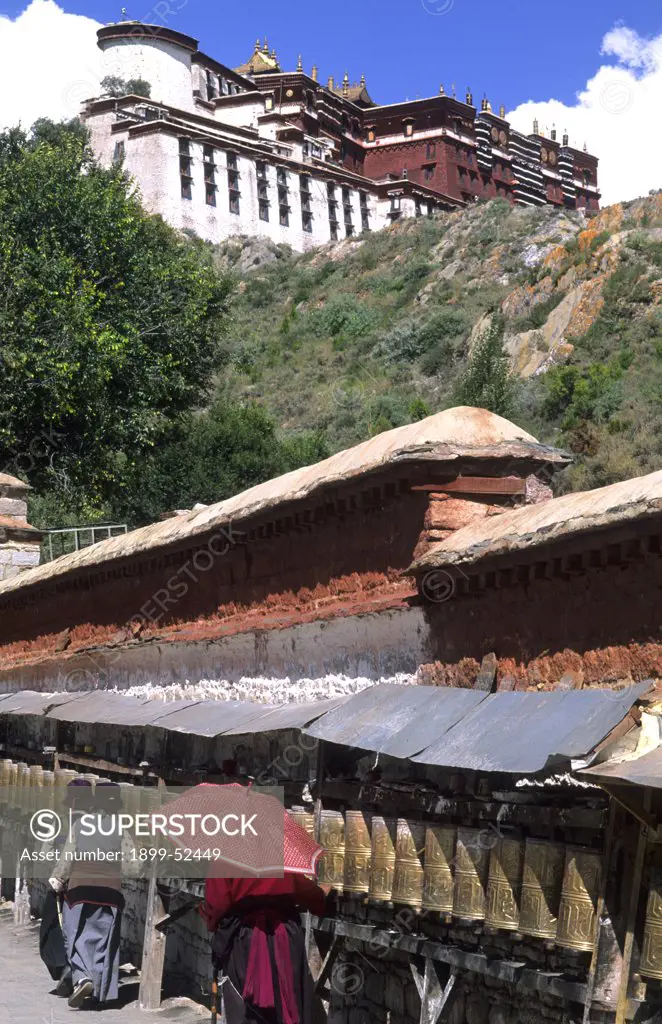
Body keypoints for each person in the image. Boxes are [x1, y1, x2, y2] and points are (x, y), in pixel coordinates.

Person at [49, 780, 137, 1009]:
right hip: (111, 893)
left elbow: (67, 859)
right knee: (105, 942)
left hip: (80, 890)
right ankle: (102, 991)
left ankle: (82, 978)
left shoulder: (80, 824)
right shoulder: (122, 829)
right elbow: (133, 868)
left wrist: (57, 880)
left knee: (75, 936)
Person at [201, 872, 331, 1024]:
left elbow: (217, 904)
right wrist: (319, 893)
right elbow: (302, 888)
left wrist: (208, 917)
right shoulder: (280, 853)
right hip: (284, 939)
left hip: (244, 941)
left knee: (245, 1010)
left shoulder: (228, 854)